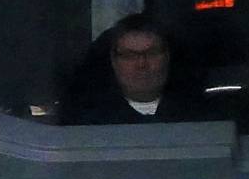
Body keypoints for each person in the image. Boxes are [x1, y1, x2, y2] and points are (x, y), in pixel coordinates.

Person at [61, 15, 229, 124]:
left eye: (152, 53)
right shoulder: (86, 122)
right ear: (113, 61)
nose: (141, 64)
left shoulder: (203, 116)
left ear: (167, 57)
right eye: (129, 55)